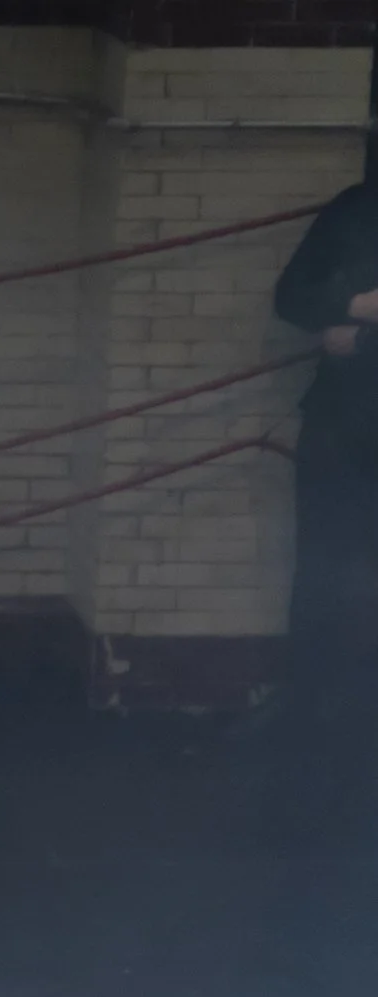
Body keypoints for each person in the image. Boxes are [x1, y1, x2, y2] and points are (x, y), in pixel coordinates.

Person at [273, 180, 378, 741]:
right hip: (345, 424)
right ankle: (309, 715)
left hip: (349, 406)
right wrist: (358, 304)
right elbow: (291, 299)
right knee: (323, 570)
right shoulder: (357, 207)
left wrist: (357, 335)